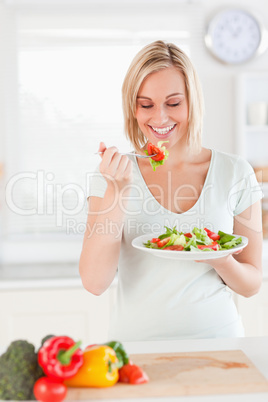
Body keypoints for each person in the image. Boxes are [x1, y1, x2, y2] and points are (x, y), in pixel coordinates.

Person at [79, 40, 263, 341]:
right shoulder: (112, 175)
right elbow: (94, 282)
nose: (160, 118)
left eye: (174, 103)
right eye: (146, 105)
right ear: (133, 108)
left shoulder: (235, 172)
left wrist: (220, 259)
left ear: (193, 102)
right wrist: (118, 192)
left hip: (220, 345)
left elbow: (251, 283)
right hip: (136, 349)